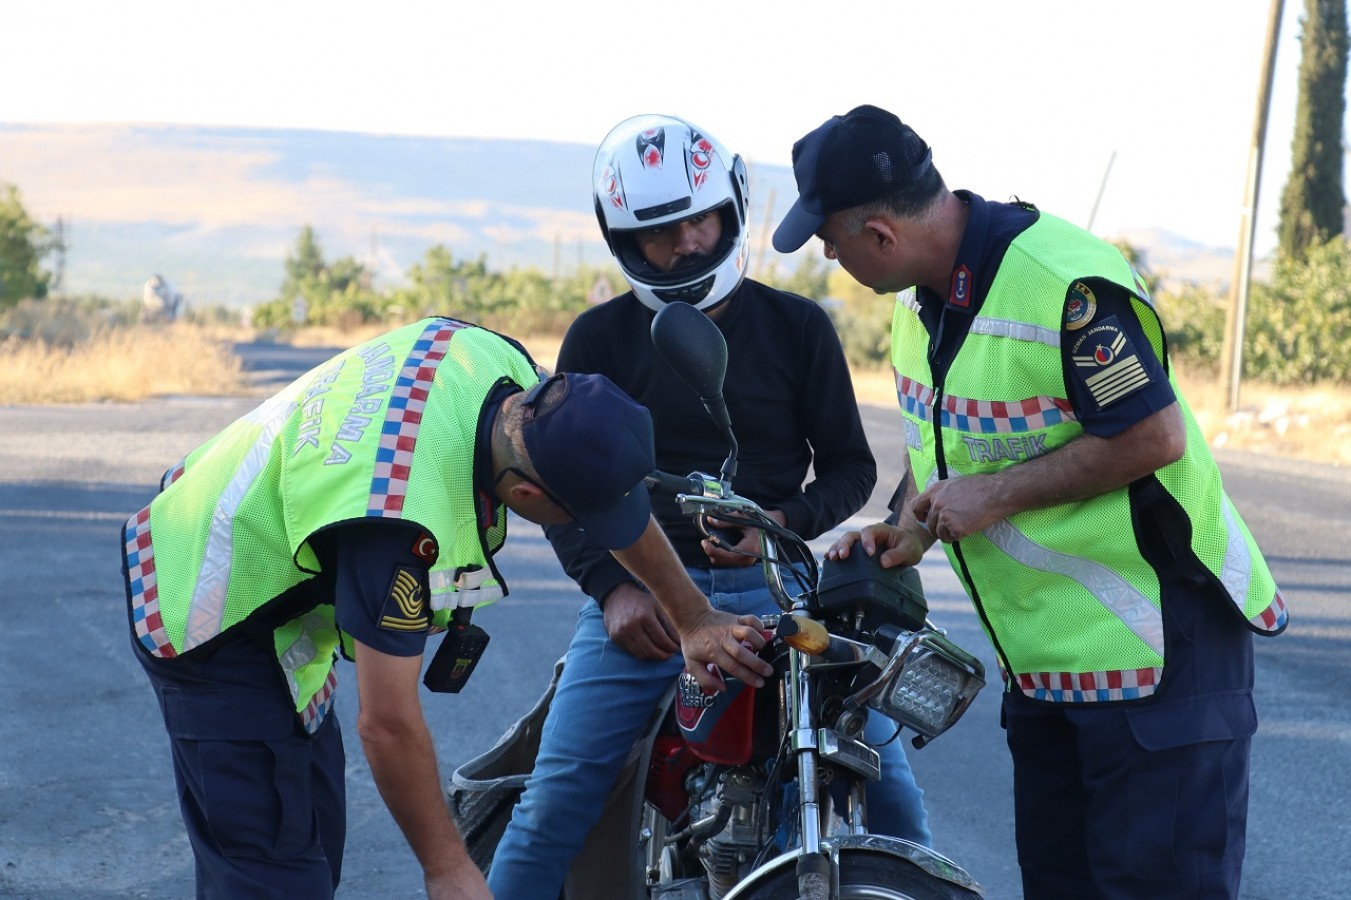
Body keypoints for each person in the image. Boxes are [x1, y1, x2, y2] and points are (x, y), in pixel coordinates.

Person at [774, 104, 1289, 899]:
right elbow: (957, 444)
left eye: (827, 242)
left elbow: (1152, 436)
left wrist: (994, 497)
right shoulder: (925, 304)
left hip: (1161, 654)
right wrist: (903, 529)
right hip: (1050, 674)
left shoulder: (1060, 283)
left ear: (877, 233)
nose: (827, 259)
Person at [120, 316, 773, 900]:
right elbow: (387, 723)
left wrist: (691, 617)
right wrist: (447, 867)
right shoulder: (400, 522)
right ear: (523, 493)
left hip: (274, 592)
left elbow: (603, 488)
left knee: (311, 837)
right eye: (581, 517)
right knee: (273, 868)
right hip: (208, 602)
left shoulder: (499, 366)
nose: (602, 529)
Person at [487, 114, 931, 899]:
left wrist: (783, 524)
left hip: (781, 591)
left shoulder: (798, 326)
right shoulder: (596, 337)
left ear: (731, 210)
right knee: (552, 801)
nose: (687, 243)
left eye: (701, 218)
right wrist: (613, 589)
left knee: (888, 793)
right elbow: (567, 492)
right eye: (659, 232)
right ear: (624, 241)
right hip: (648, 600)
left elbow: (851, 467)